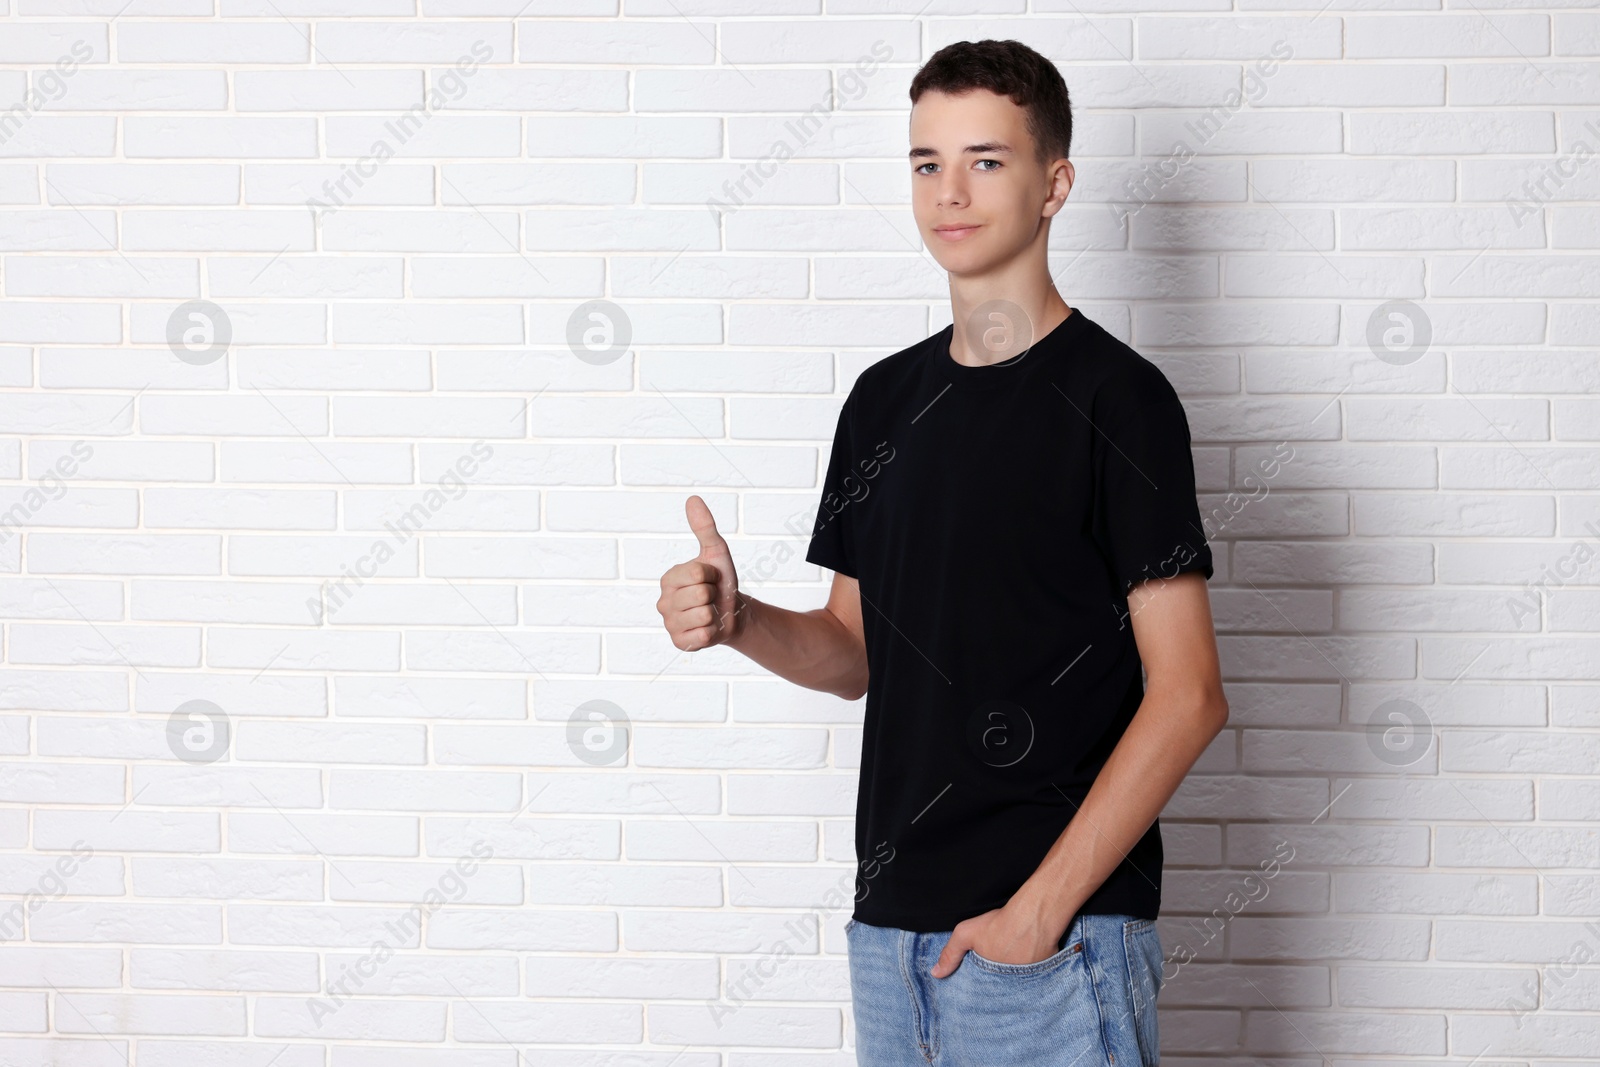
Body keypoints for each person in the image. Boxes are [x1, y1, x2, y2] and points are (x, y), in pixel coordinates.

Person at [656, 38, 1227, 1067]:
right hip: (890, 940)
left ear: (1054, 183)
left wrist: (1033, 916)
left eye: (986, 160)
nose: (948, 191)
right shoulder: (882, 401)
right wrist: (742, 622)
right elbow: (851, 648)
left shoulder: (1119, 401)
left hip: (1053, 947)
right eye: (926, 162)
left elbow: (1187, 694)